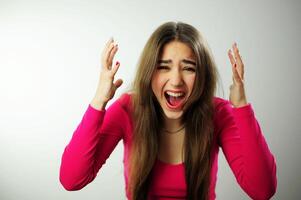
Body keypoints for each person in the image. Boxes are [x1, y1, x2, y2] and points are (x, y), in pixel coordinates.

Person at [59, 21, 277, 200]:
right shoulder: (128, 109)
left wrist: (242, 107)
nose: (176, 81)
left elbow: (262, 191)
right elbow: (72, 180)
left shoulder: (218, 113)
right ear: (149, 72)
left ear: (202, 75)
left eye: (188, 68)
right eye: (163, 67)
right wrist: (99, 100)